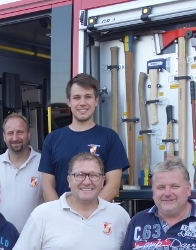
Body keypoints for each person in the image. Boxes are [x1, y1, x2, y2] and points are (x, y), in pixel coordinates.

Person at [39, 73, 129, 202]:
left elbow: (113, 186)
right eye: (77, 97)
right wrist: (61, 212)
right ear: (69, 101)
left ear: (96, 100)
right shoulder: (52, 139)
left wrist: (90, 211)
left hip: (98, 213)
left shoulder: (110, 138)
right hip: (61, 214)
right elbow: (47, 187)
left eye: (88, 97)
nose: (82, 103)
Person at [0, 113, 43, 232]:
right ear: (4, 136)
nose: (15, 138)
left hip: (35, 238)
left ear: (29, 134)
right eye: (10, 133)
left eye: (20, 132)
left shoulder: (43, 164)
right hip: (0, 237)